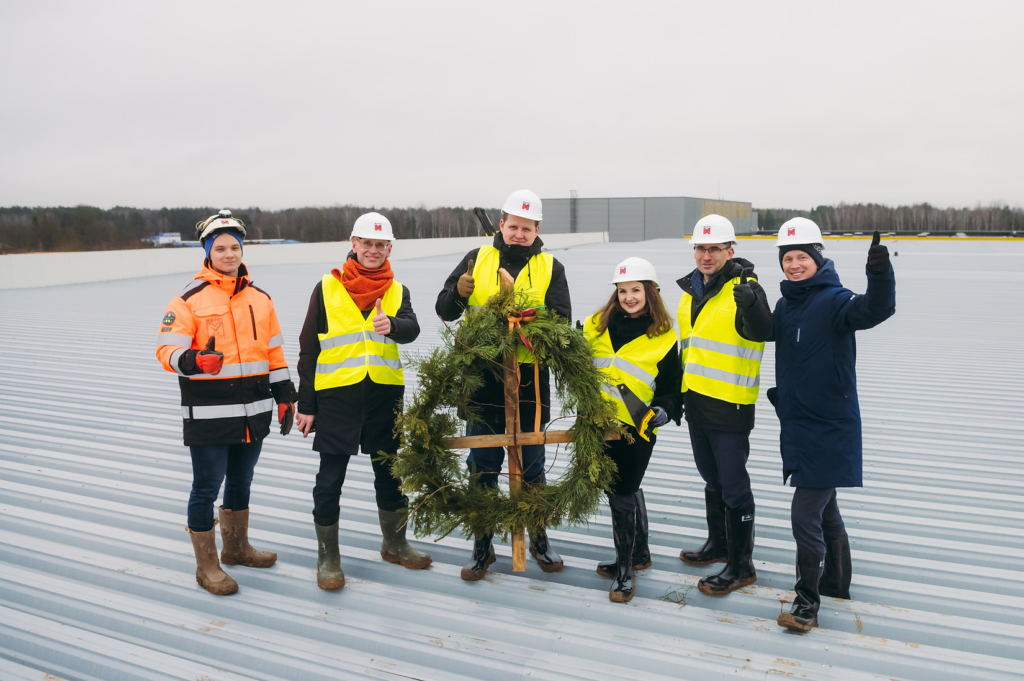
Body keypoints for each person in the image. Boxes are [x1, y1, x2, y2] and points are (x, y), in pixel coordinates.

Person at [156, 209, 297, 596]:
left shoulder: (261, 299)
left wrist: (285, 395)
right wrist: (193, 361)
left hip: (253, 413)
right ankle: (207, 566)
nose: (229, 254)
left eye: (235, 247)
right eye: (220, 248)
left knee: (242, 480)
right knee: (206, 487)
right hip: (209, 414)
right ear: (207, 251)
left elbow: (273, 353)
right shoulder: (188, 300)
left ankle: (237, 549)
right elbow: (165, 350)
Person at [435, 189, 572, 581]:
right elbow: (444, 310)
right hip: (482, 378)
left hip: (529, 383)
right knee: (483, 465)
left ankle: (539, 538)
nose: (518, 234)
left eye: (526, 228)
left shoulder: (550, 267)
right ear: (501, 224)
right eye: (512, 226)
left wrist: (528, 318)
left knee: (532, 466)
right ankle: (483, 545)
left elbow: (562, 320)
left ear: (536, 229)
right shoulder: (477, 260)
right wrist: (456, 294)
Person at [769, 219, 895, 632]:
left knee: (805, 514)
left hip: (829, 428)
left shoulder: (835, 300)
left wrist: (879, 273)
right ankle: (838, 583)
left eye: (802, 257)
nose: (794, 264)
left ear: (818, 259)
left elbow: (876, 309)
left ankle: (808, 602)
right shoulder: (786, 306)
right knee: (826, 512)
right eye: (788, 258)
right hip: (798, 423)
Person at [295, 212, 430, 592]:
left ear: (389, 248)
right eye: (366, 243)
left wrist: (395, 326)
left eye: (380, 244)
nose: (373, 250)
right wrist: (307, 405)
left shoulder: (397, 290)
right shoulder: (326, 287)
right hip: (337, 397)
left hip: (384, 396)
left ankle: (395, 543)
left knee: (390, 474)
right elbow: (308, 350)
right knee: (329, 480)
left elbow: (412, 328)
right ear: (353, 245)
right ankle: (328, 559)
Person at [676, 214, 773, 596]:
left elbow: (765, 330)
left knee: (733, 486)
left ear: (730, 251)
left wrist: (752, 304)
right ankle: (718, 544)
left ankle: (741, 565)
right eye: (701, 248)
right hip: (697, 405)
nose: (706, 255)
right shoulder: (690, 293)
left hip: (730, 406)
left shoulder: (747, 289)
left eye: (714, 248)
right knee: (711, 478)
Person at [585, 257, 681, 602]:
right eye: (623, 290)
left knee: (623, 491)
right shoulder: (595, 325)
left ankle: (625, 572)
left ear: (650, 292)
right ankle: (638, 554)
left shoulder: (665, 336)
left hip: (637, 425)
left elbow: (672, 386)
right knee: (619, 488)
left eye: (636, 290)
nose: (629, 297)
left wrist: (664, 410)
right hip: (598, 423)